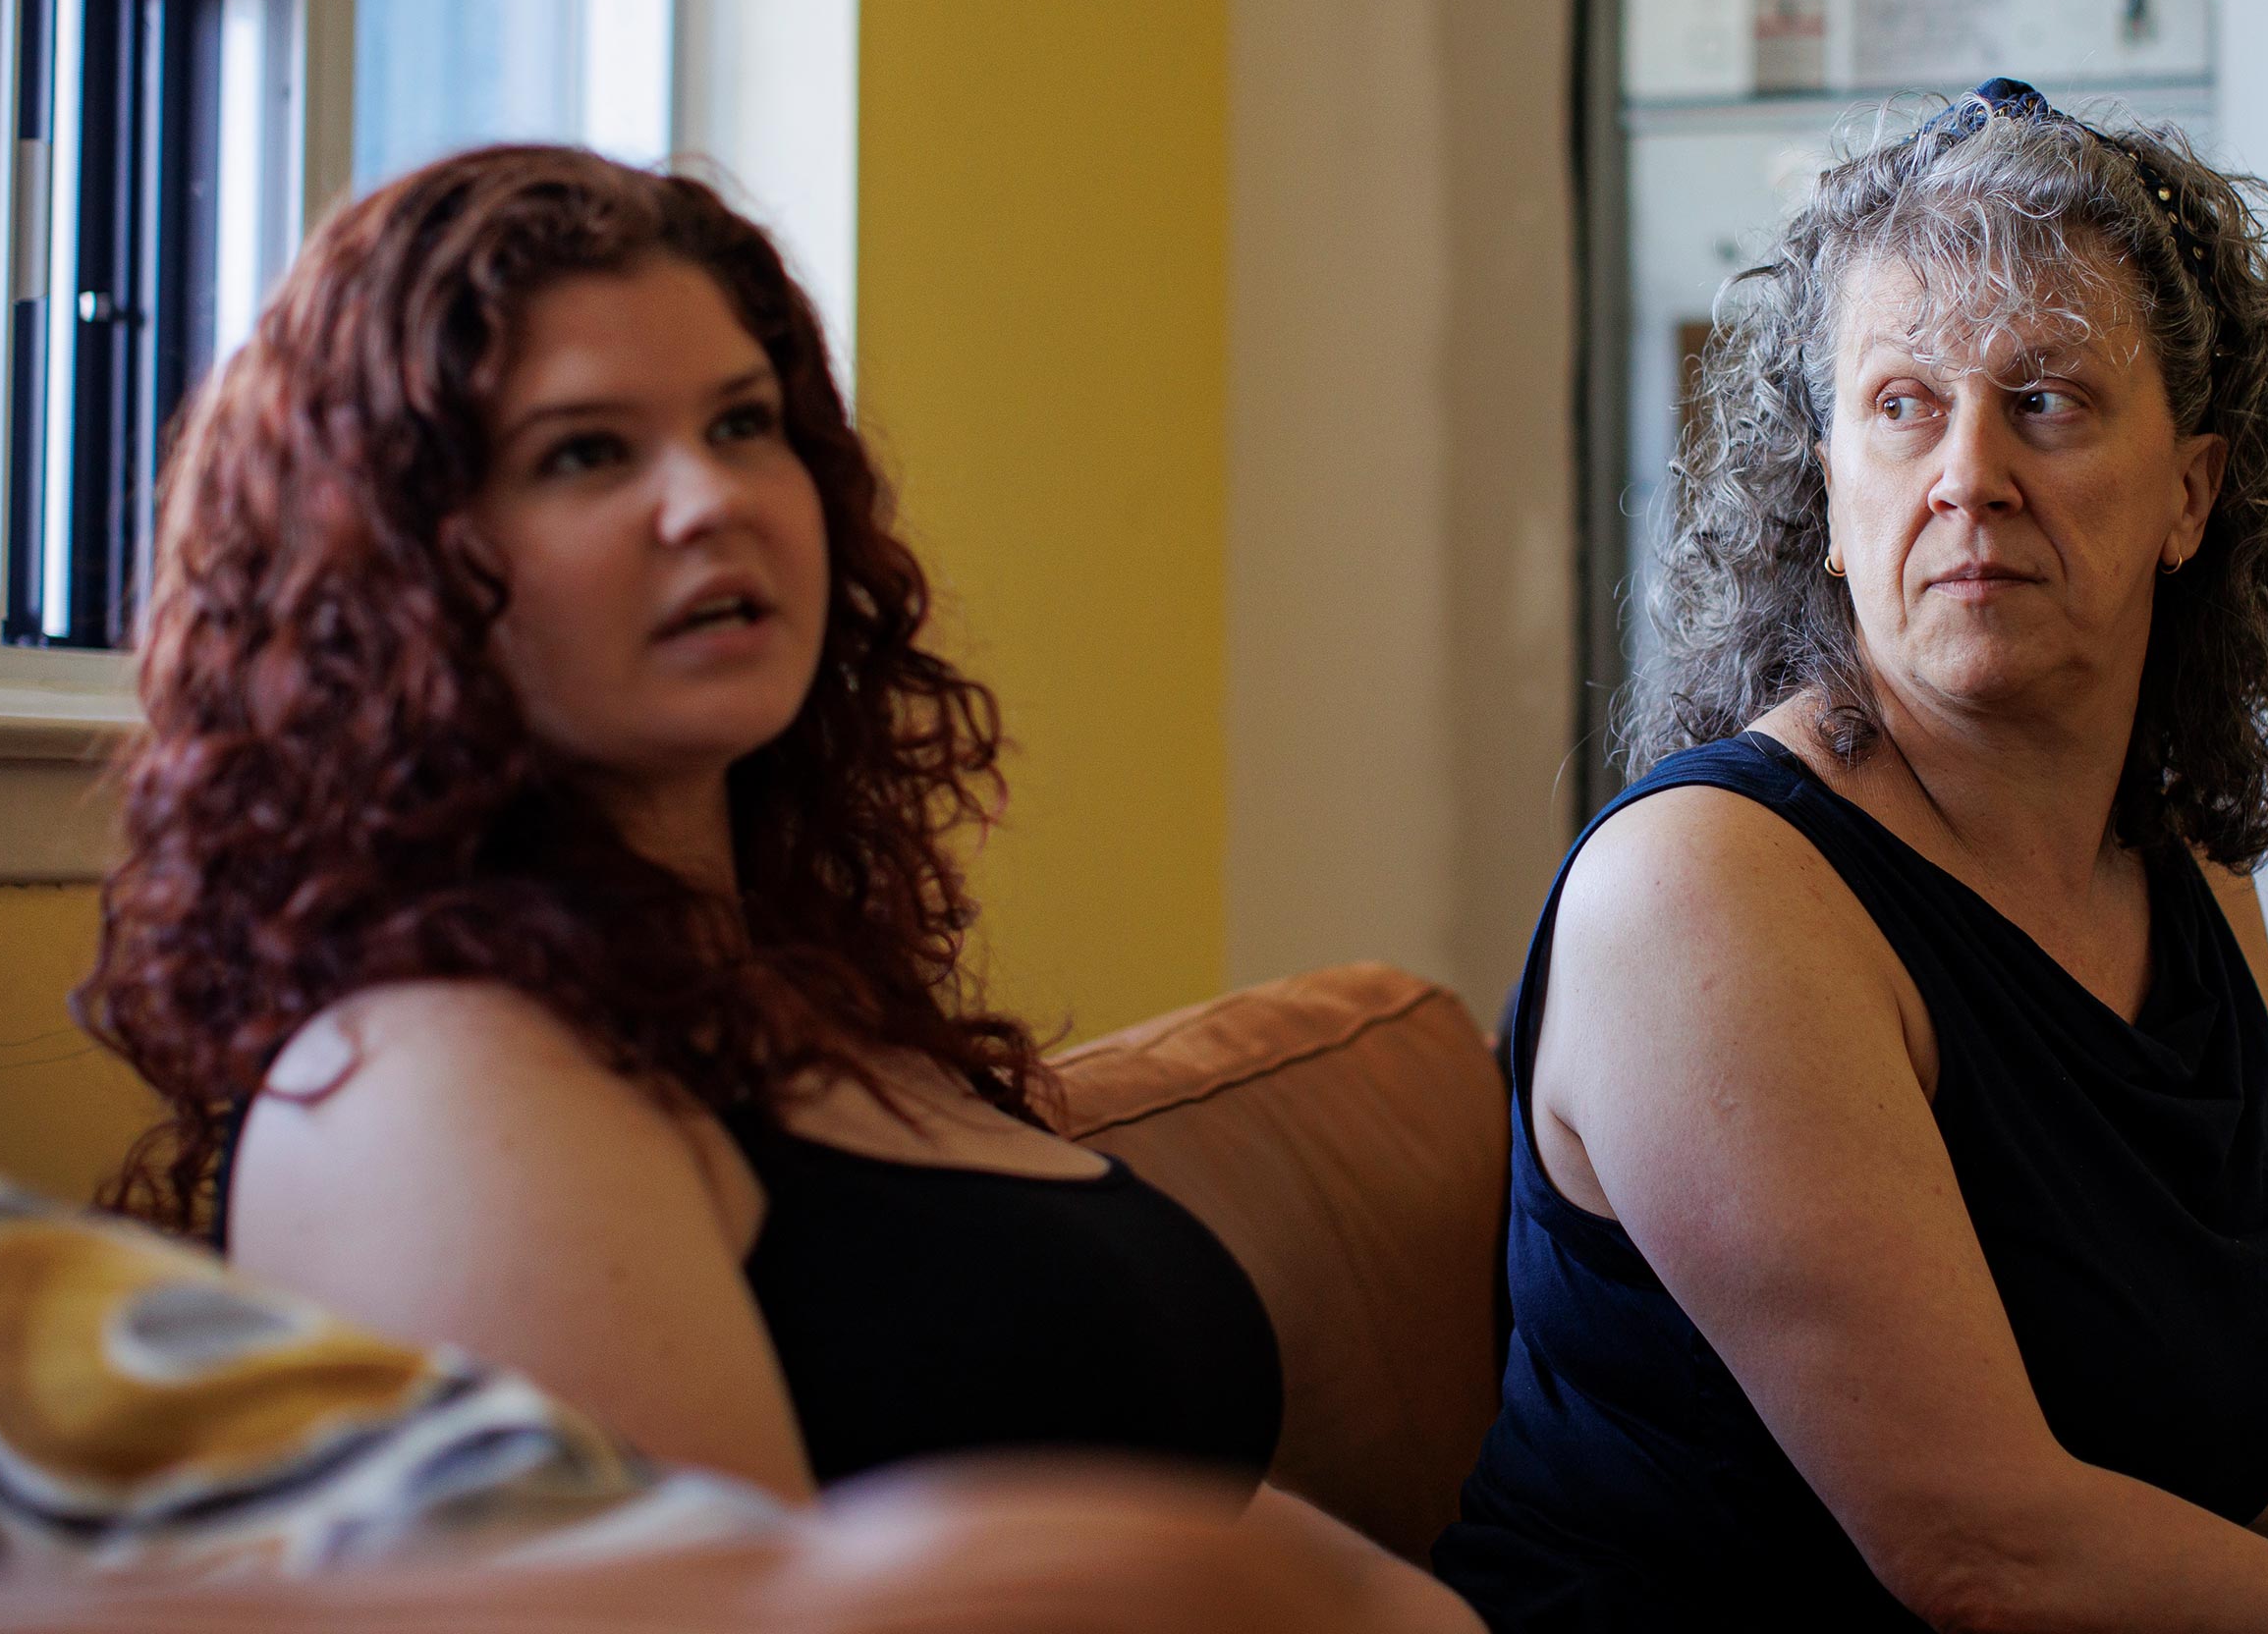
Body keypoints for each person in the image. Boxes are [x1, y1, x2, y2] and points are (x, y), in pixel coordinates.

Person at [75, 144, 1471, 1632]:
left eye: (745, 424)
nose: (709, 500)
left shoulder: (811, 997)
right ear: (391, 574)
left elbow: (1175, 1473)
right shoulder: (426, 1081)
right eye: (585, 453)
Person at [1434, 82, 2268, 1631]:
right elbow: (1984, 1553)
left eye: (2048, 401)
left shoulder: (2194, 892)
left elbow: (2237, 1462)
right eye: (1901, 405)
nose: (1970, 473)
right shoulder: (1708, 888)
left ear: (2192, 493)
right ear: (1830, 494)